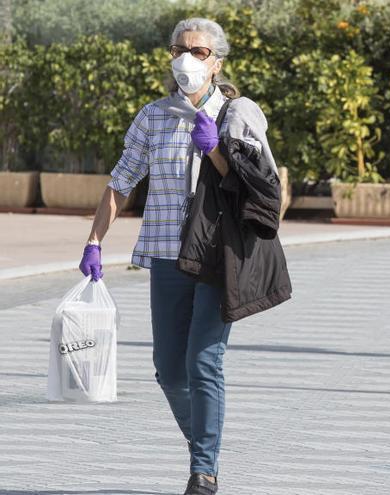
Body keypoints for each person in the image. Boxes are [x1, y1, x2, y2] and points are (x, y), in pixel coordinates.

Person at [79, 18, 290, 495]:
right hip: (164, 256)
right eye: (179, 49)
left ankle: (203, 470)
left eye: (198, 51)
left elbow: (263, 187)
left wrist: (215, 150)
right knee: (169, 370)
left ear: (216, 62)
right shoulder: (153, 116)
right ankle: (205, 447)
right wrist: (94, 242)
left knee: (203, 361)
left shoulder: (237, 114)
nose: (187, 59)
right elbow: (120, 182)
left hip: (217, 256)